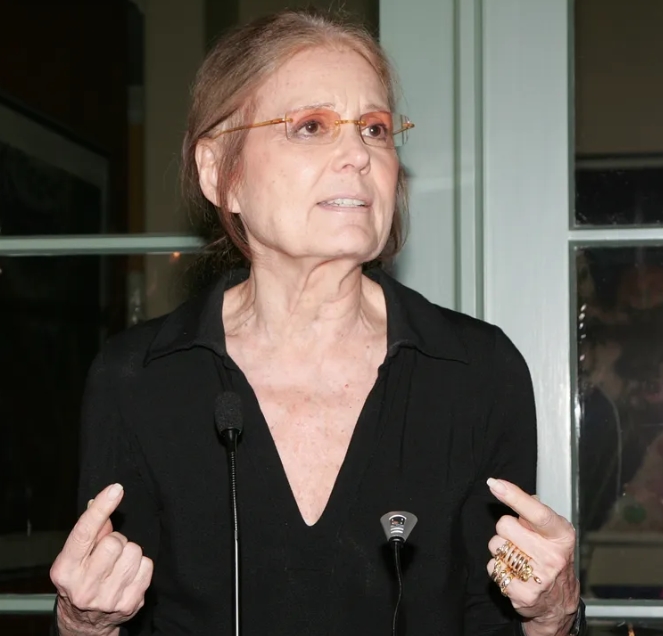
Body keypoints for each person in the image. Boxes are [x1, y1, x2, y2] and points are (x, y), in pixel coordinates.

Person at [49, 9, 584, 635]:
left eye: (375, 129)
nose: (358, 154)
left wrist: (553, 613)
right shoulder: (138, 378)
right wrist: (83, 623)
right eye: (311, 126)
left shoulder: (477, 372)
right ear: (220, 172)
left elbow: (498, 619)